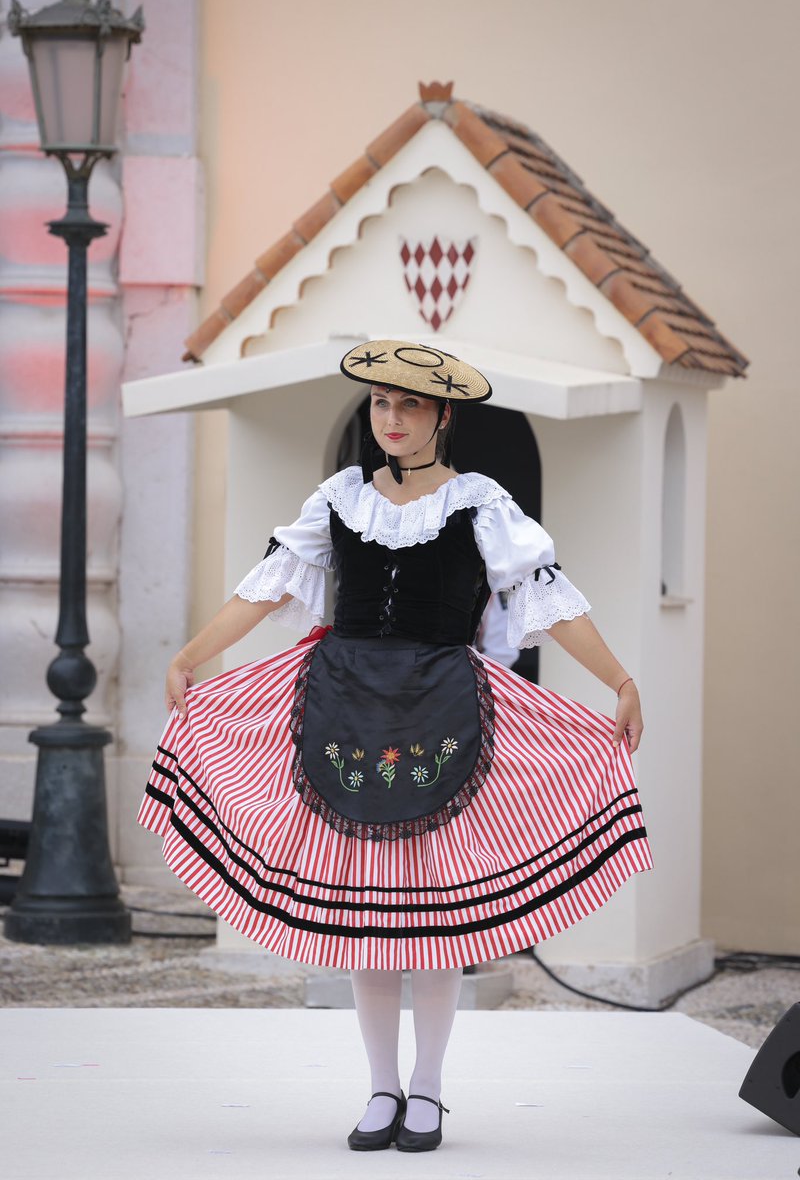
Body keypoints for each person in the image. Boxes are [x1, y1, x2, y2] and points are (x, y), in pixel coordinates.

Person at [139, 340, 652, 1153]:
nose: (393, 418)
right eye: (381, 403)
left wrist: (619, 680)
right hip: (343, 705)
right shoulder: (341, 497)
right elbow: (267, 586)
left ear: (442, 416)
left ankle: (430, 1092)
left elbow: (548, 599)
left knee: (433, 922)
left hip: (442, 709)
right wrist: (191, 656)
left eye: (410, 405)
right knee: (369, 921)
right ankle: (381, 1089)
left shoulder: (481, 504)